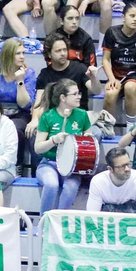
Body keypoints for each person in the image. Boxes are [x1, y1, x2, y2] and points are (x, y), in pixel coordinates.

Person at [33, 77, 92, 212]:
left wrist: (85, 140)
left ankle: (59, 222)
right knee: (51, 184)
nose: (79, 97)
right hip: (49, 163)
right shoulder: (48, 116)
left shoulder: (82, 115)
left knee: (71, 188)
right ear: (63, 98)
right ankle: (45, 222)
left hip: (72, 167)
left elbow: (88, 140)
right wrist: (53, 140)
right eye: (75, 94)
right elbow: (38, 148)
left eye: (79, 93)